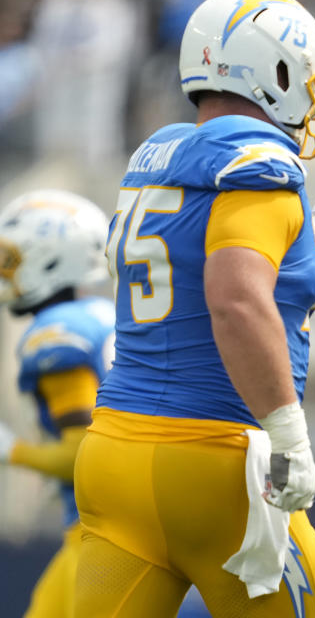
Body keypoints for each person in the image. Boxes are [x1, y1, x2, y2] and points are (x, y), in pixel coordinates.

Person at [71, 0, 315, 618]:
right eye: (309, 78)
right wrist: (289, 435)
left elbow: (184, 280)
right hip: (216, 463)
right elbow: (234, 300)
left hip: (114, 454)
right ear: (275, 71)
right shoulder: (259, 167)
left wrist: (304, 255)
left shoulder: (160, 156)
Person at [0, 189, 112, 618]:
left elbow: (82, 455)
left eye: (12, 258)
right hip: (106, 528)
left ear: (48, 258)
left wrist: (13, 452)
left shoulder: (55, 333)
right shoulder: (102, 315)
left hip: (95, 535)